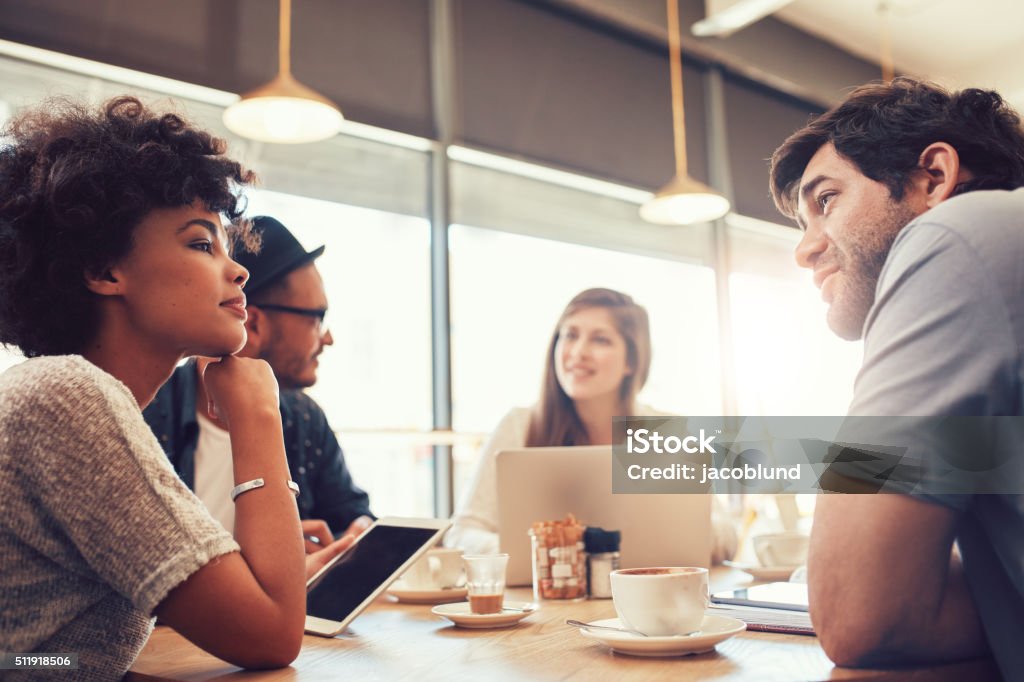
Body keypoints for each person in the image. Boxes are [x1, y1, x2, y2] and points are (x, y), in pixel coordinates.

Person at [0, 96, 351, 677]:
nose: (237, 270)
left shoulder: (78, 396)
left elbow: (49, 657)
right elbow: (272, 636)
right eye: (200, 243)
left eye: (227, 247)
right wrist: (259, 415)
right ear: (104, 270)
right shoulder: (64, 397)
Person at [769, 77, 1024, 677]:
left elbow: (859, 614)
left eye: (825, 199)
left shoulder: (960, 232)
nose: (804, 250)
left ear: (933, 178)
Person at [446, 288, 737, 562]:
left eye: (600, 340)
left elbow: (727, 537)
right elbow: (462, 533)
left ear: (631, 362)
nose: (578, 352)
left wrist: (677, 531)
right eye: (570, 335)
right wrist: (530, 554)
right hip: (542, 606)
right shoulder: (519, 425)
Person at [144, 216, 374, 552]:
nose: (328, 337)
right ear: (254, 322)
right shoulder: (148, 413)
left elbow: (353, 516)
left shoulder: (304, 418)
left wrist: (352, 539)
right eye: (317, 318)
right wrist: (274, 560)